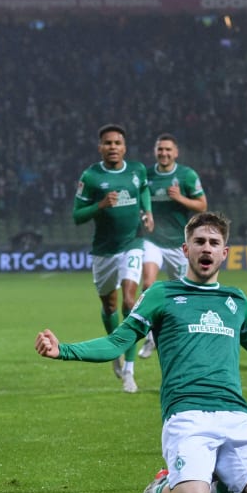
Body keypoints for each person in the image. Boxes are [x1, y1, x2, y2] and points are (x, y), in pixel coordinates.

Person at [34, 211, 247, 493]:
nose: (207, 248)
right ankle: (160, 486)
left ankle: (215, 486)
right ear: (185, 249)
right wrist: (64, 350)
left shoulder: (236, 300)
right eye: (199, 241)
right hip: (187, 414)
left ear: (224, 253)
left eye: (214, 243)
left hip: (235, 414)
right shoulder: (162, 294)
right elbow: (117, 342)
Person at [73, 124, 153, 393]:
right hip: (104, 251)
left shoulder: (137, 170)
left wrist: (148, 211)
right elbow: (77, 216)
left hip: (133, 243)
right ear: (100, 148)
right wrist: (100, 205)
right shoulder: (91, 177)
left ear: (124, 147)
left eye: (117, 143)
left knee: (130, 302)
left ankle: (129, 370)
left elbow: (143, 189)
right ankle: (114, 352)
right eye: (108, 143)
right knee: (109, 306)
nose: (113, 147)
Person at [136, 133, 207, 359]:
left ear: (176, 152)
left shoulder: (187, 175)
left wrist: (180, 198)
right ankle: (151, 336)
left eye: (168, 149)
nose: (164, 153)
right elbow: (139, 202)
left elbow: (202, 206)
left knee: (181, 294)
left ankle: (179, 336)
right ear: (155, 151)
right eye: (160, 149)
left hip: (178, 243)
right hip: (152, 240)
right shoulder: (146, 175)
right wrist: (144, 215)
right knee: (148, 284)